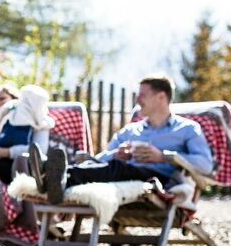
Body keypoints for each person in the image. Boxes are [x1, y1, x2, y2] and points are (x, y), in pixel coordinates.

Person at [28, 73, 214, 204]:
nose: (137, 100)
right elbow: (99, 161)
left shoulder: (187, 129)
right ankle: (57, 176)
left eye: (142, 95)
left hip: (158, 180)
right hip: (121, 172)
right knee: (115, 166)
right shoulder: (130, 131)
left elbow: (205, 164)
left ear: (161, 97)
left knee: (118, 168)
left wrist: (163, 157)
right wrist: (115, 154)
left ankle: (54, 177)